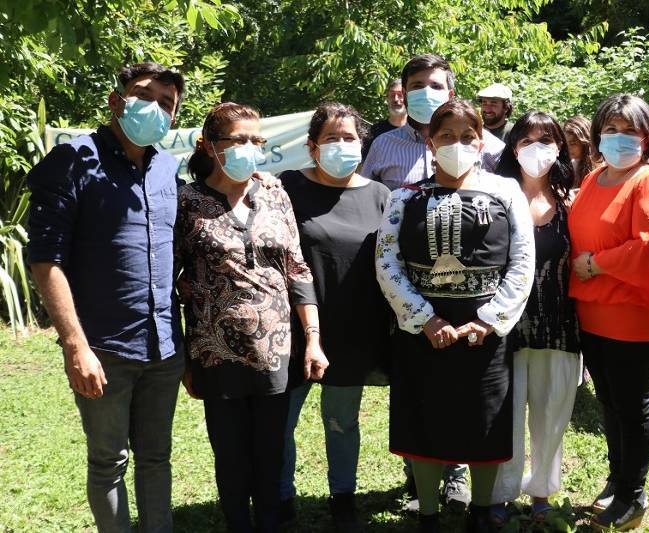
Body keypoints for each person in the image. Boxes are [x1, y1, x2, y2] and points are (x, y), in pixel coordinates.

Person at [26, 62, 185, 533]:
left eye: (166, 103)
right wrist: (76, 346)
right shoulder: (73, 160)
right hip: (104, 348)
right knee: (109, 461)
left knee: (156, 457)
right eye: (144, 94)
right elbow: (45, 261)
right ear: (117, 100)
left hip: (164, 346)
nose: (154, 107)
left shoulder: (167, 168)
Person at [376, 99, 535, 532]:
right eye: (447, 136)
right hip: (421, 333)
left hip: (485, 333)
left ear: (481, 141)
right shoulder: (403, 197)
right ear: (430, 142)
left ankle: (481, 510)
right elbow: (387, 262)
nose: (457, 144)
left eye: (467, 137)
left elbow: (522, 261)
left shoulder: (507, 192)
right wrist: (424, 319)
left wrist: (490, 319)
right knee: (423, 420)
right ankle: (428, 512)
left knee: (485, 419)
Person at [176, 102, 327, 533]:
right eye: (238, 139)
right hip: (214, 350)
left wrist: (312, 338)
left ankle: (270, 523)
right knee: (229, 451)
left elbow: (297, 270)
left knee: (271, 450)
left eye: (255, 140)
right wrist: (184, 356)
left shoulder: (274, 193)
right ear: (209, 145)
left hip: (276, 348)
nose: (249, 148)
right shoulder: (188, 201)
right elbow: (171, 276)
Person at [277, 102, 391, 532]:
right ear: (312, 145)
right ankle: (281, 497)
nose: (342, 145)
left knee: (342, 421)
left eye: (349, 138)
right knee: (281, 421)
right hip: (291, 326)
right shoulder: (286, 187)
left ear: (362, 144)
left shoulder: (380, 195)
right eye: (331, 138)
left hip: (353, 329)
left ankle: (344, 496)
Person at [568, 94, 649, 531]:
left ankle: (634, 494)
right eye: (610, 129)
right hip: (592, 312)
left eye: (629, 130)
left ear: (647, 136)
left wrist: (595, 264)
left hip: (634, 313)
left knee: (633, 406)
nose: (618, 138)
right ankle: (617, 480)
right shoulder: (595, 178)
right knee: (609, 403)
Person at [490, 111, 581, 525]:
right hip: (506, 329)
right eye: (527, 140)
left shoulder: (572, 203)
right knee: (505, 415)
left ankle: (541, 491)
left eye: (547, 139)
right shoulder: (495, 198)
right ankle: (500, 493)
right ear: (513, 147)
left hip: (559, 327)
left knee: (551, 414)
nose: (536, 148)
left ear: (560, 146)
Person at [362, 53, 505, 191]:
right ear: (405, 94)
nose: (426, 93)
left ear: (450, 95)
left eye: (436, 86)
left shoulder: (487, 146)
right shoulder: (383, 145)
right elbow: (367, 200)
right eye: (418, 86)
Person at [362, 79, 407, 159]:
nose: (396, 99)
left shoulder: (417, 130)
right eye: (392, 95)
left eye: (400, 95)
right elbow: (364, 165)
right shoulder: (374, 131)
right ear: (387, 99)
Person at [563, 115, 596, 187]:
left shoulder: (600, 168)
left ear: (585, 144)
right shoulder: (563, 166)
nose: (567, 148)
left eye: (573, 143)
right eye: (565, 144)